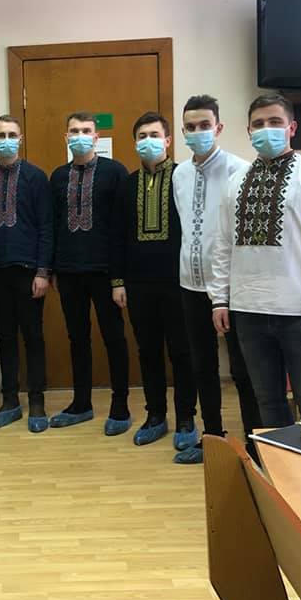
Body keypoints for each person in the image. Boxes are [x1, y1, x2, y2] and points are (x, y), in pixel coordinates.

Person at [209, 93, 301, 427]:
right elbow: (223, 245)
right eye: (258, 124)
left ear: (292, 128)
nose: (266, 129)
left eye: (275, 122)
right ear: (248, 131)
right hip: (248, 311)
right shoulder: (235, 182)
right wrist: (219, 299)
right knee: (268, 402)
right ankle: (278, 463)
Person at [171, 95, 260, 464]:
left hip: (232, 288)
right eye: (190, 127)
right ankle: (212, 438)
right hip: (190, 285)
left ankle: (255, 444)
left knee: (242, 369)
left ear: (218, 128)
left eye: (204, 126)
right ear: (183, 131)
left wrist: (226, 288)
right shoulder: (179, 174)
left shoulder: (241, 170)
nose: (197, 132)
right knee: (202, 365)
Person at [110, 111, 198, 451]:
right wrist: (118, 281)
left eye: (154, 135)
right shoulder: (127, 183)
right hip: (138, 284)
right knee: (147, 351)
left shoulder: (184, 177)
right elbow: (117, 236)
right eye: (141, 136)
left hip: (179, 283)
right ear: (135, 143)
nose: (148, 141)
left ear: (168, 140)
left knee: (182, 352)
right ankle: (156, 416)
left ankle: (186, 418)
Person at [49, 112, 130, 433]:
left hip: (105, 272)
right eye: (74, 131)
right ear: (66, 137)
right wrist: (53, 269)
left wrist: (120, 278)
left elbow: (122, 228)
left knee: (114, 337)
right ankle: (81, 403)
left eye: (86, 131)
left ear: (96, 137)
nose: (80, 135)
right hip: (69, 271)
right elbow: (54, 224)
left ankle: (120, 405)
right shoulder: (57, 176)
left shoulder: (115, 172)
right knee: (77, 338)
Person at [0, 115, 53, 433]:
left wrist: (43, 272)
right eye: (0, 135)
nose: (6, 140)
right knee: (5, 339)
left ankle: (37, 401)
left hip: (29, 273)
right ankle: (10, 402)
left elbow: (46, 227)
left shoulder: (36, 178)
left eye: (11, 134)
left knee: (33, 338)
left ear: (20, 138)